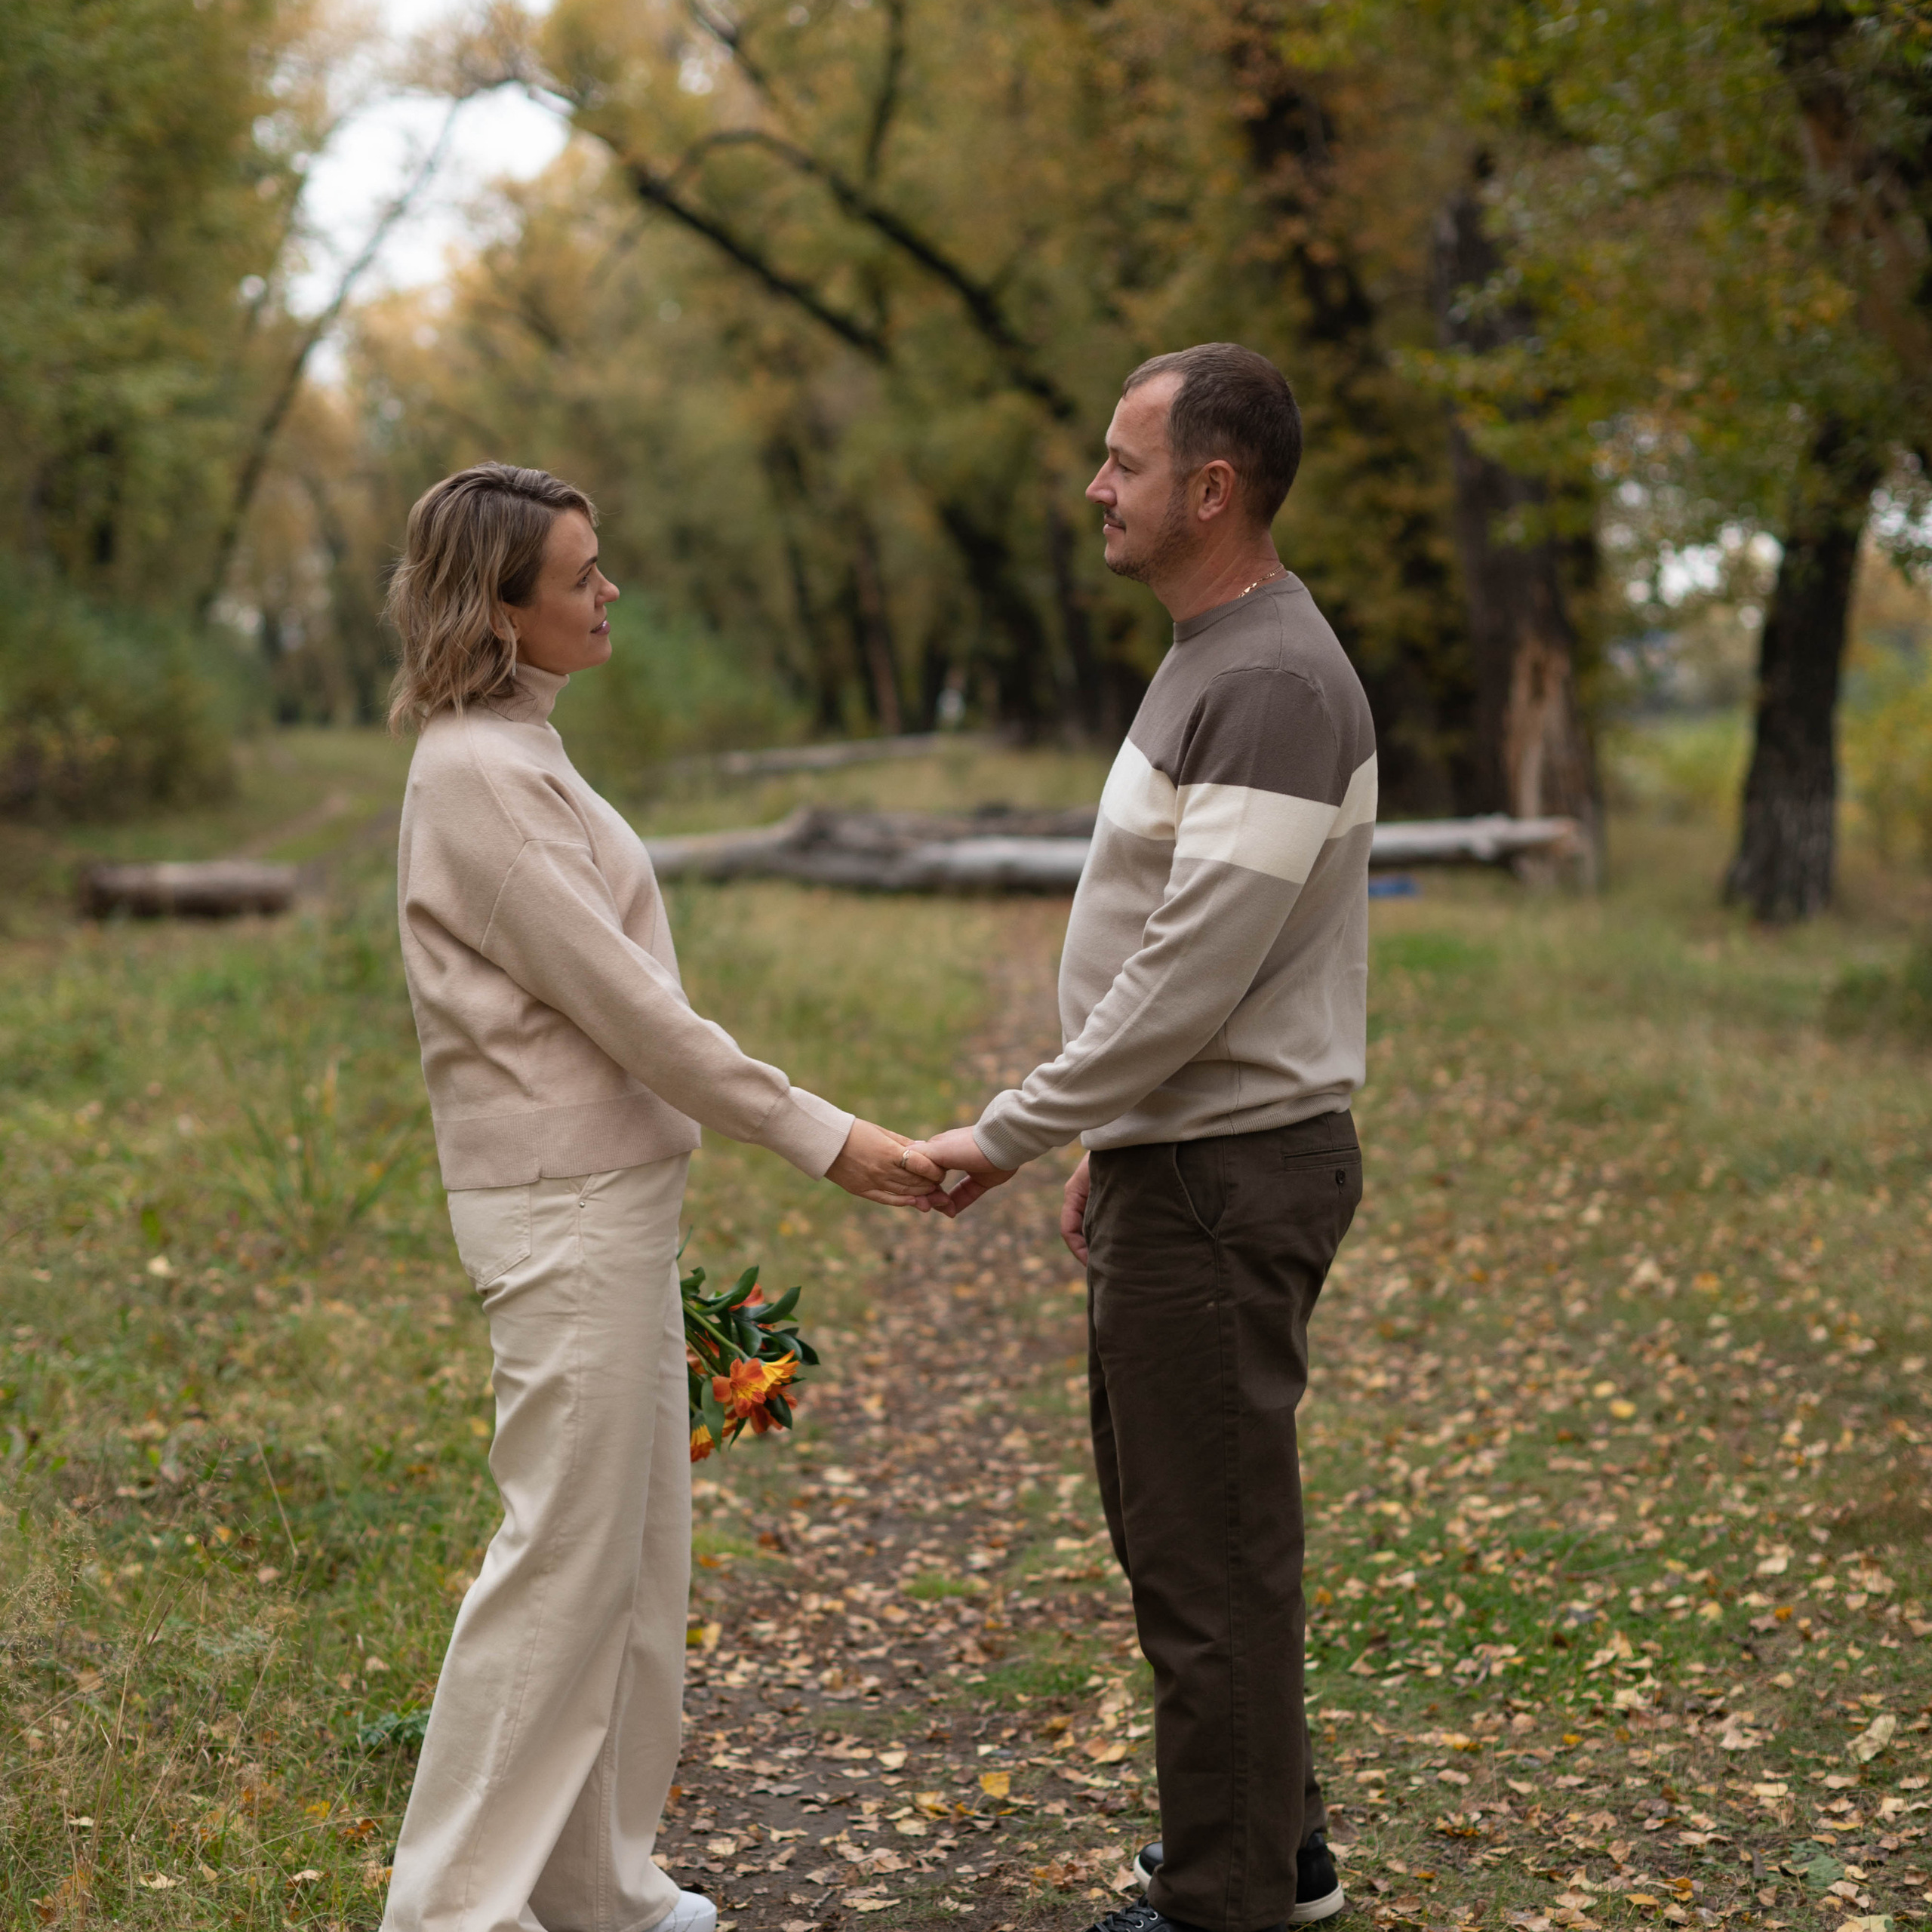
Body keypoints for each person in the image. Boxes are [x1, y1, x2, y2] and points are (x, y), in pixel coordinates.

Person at [381, 463, 942, 1932]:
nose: (607, 590)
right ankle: (449, 1913)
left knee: (632, 1555)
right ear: (497, 608)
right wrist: (829, 1137)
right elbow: (636, 1014)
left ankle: (596, 1887)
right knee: (562, 1561)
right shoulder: (477, 774)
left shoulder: (521, 746)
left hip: (609, 1197)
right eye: (579, 576)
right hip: (560, 1207)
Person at [914, 345, 1374, 1932]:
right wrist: (1105, 1142)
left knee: (1209, 1551)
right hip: (1177, 1164)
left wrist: (1012, 1130)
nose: (1096, 488)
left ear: (1211, 488)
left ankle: (1225, 1900)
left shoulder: (1269, 682)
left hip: (1226, 1178)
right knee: (1187, 1531)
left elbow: (1188, 973)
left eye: (1124, 462)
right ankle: (1277, 1848)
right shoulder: (1213, 653)